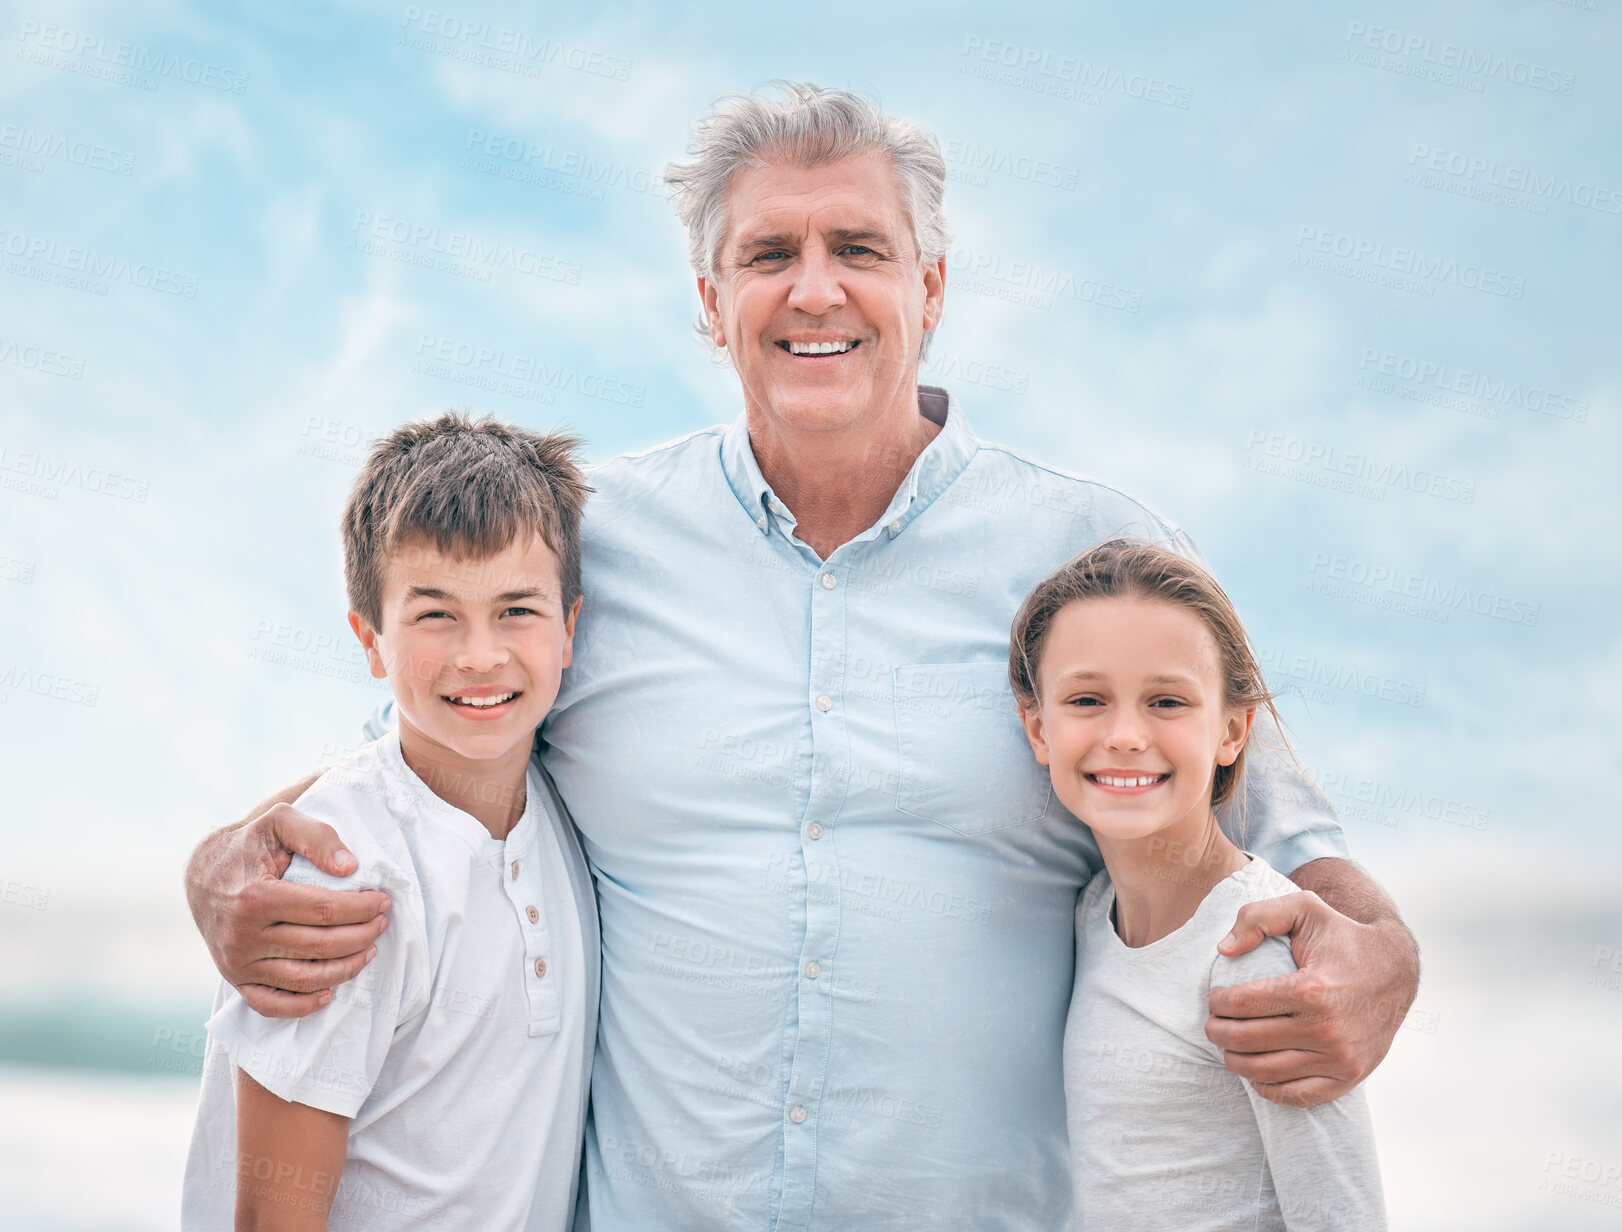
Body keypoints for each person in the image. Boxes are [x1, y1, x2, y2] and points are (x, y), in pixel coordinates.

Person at [183, 85, 1420, 1230]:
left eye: (859, 251)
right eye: (769, 254)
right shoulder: (587, 546)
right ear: (710, 300)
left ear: (931, 287)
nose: (813, 290)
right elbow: (415, 763)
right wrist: (217, 869)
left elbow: (1284, 839)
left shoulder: (1091, 552)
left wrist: (1383, 962)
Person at [181, 413, 598, 1231]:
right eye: (435, 615)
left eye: (517, 610)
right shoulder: (340, 882)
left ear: (570, 630)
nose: (480, 656)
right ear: (370, 641)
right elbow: (272, 1218)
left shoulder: (556, 806)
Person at [1012, 538, 1386, 1230]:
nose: (1125, 735)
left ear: (1234, 731)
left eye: (1167, 701)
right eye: (1088, 698)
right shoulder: (1095, 916)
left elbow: (1342, 1216)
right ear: (1038, 727)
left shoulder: (1255, 957)